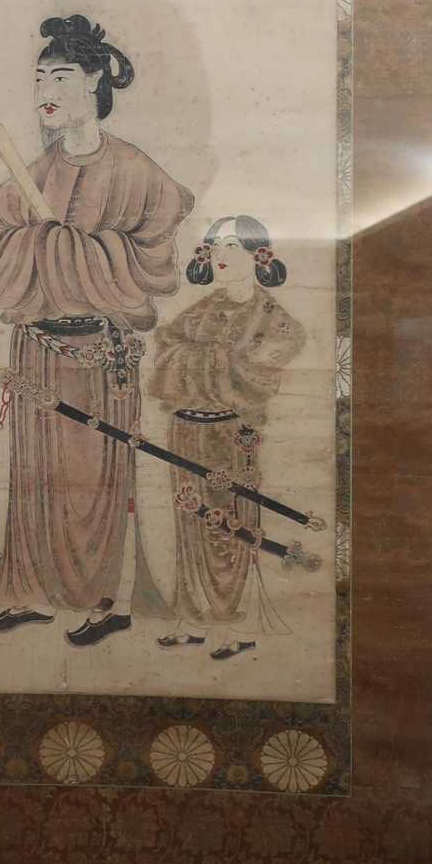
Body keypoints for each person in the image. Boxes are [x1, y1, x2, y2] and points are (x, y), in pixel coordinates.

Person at [0, 14, 194, 647]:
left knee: (98, 474)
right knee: (35, 473)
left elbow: (153, 262)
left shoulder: (134, 169)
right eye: (40, 77)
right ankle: (30, 590)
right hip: (38, 348)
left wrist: (75, 250)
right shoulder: (36, 169)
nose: (46, 90)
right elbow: (1, 245)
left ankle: (108, 598)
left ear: (94, 80)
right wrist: (42, 243)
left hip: (102, 348)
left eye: (61, 76)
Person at [141, 214, 306, 659]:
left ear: (259, 255)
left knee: (229, 524)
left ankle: (237, 626)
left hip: (230, 432)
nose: (219, 256)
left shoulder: (275, 319)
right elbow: (166, 349)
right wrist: (214, 359)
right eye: (214, 246)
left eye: (231, 246)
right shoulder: (202, 309)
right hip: (185, 430)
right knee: (189, 522)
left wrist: (199, 360)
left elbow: (256, 371)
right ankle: (193, 619)